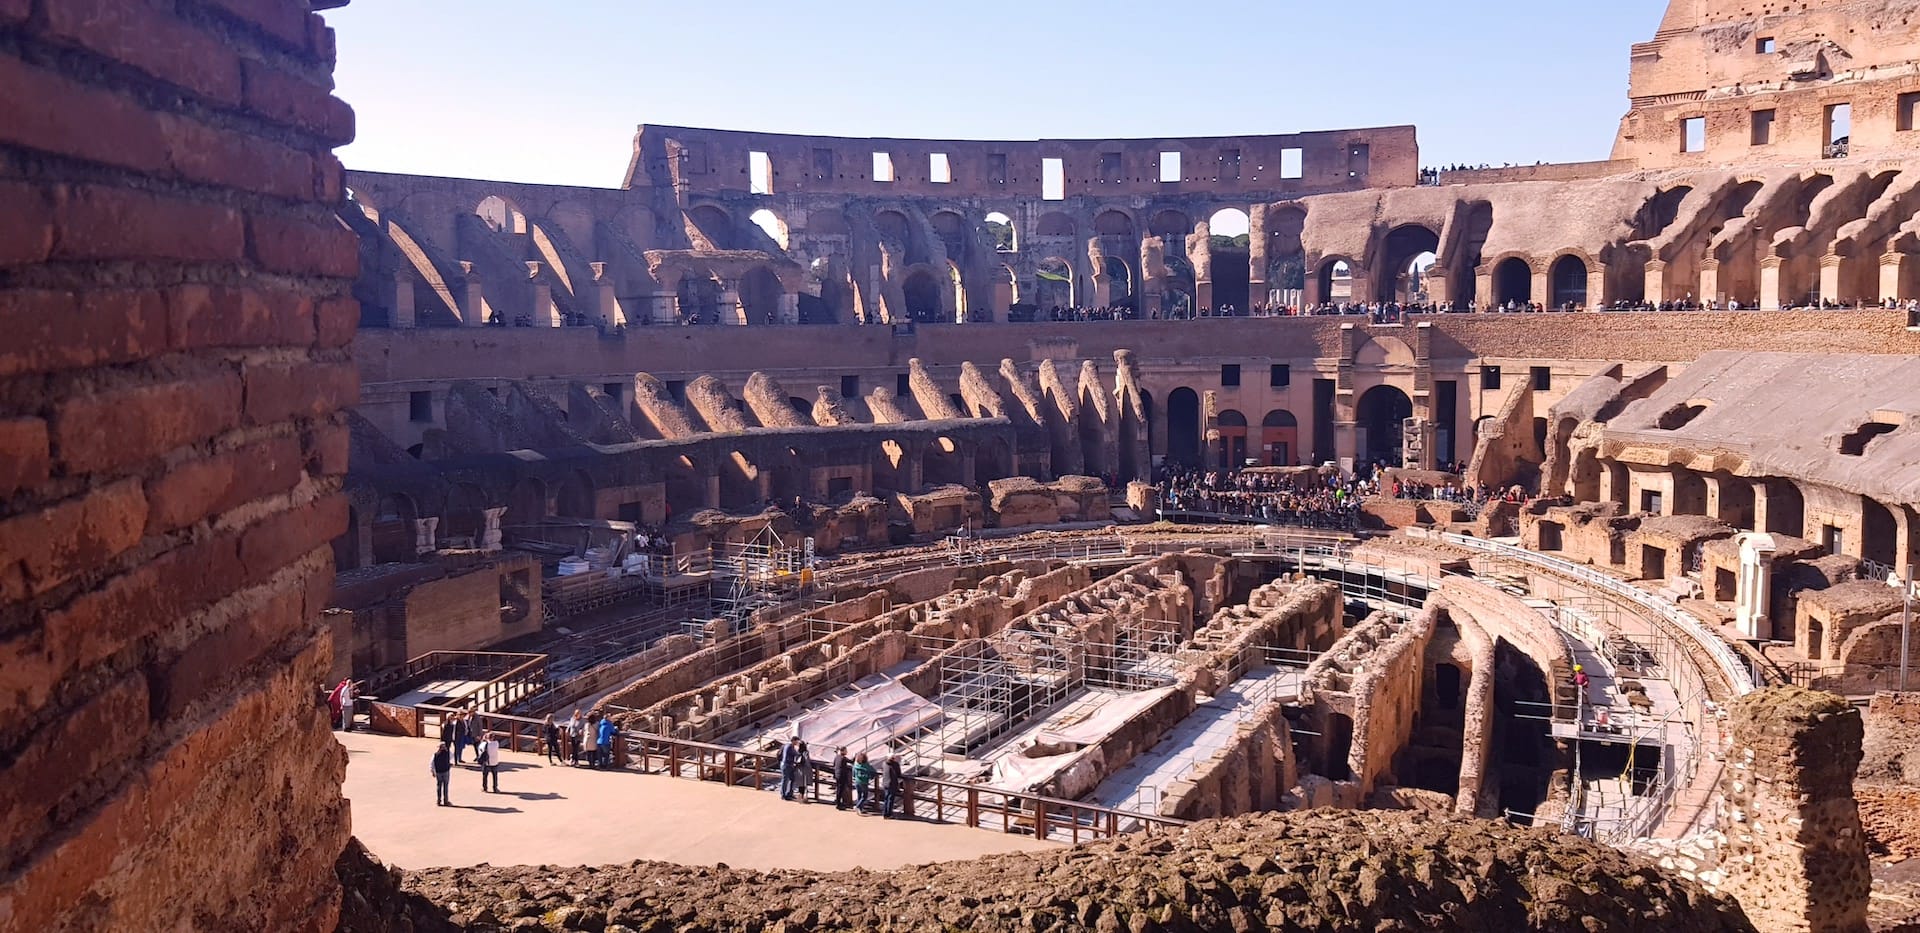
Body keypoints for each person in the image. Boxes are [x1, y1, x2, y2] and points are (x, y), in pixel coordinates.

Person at [778, 735, 805, 801]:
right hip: (787, 765)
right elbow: (796, 754)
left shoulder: (786, 745)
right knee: (785, 780)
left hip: (786, 764)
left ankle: (789, 793)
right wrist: (801, 749)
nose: (797, 743)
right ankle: (783, 795)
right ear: (793, 741)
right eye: (796, 741)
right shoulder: (790, 746)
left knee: (791, 779)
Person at [431, 739, 453, 807]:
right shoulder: (448, 753)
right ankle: (446, 801)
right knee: (445, 786)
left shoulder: (435, 755)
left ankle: (438, 800)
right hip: (446, 771)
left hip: (438, 772)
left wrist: (433, 771)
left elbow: (432, 763)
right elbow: (452, 757)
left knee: (439, 786)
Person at [881, 755, 903, 819]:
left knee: (886, 799)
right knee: (890, 799)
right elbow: (898, 774)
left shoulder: (884, 763)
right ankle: (888, 814)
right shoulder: (895, 764)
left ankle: (884, 813)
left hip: (885, 783)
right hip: (892, 784)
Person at [832, 747, 853, 811]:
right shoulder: (843, 758)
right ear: (842, 751)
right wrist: (855, 756)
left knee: (839, 789)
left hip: (837, 774)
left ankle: (838, 802)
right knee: (840, 790)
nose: (847, 752)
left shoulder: (837, 757)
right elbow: (851, 761)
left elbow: (834, 764)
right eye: (846, 751)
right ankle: (839, 804)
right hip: (841, 775)